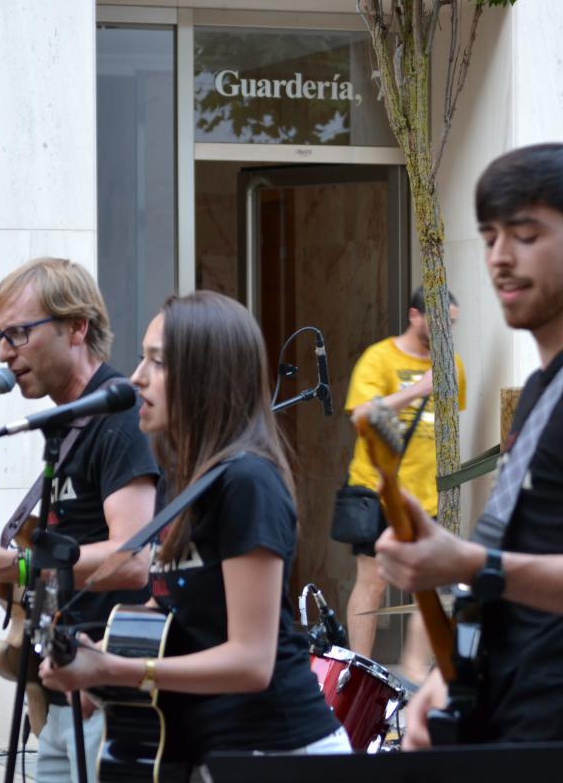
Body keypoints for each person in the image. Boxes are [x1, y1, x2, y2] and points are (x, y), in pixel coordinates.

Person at [374, 143, 563, 783]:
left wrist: (468, 563)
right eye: (490, 235)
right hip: (527, 735)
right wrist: (449, 677)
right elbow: (531, 558)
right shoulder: (550, 383)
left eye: (525, 234)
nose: (498, 256)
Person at [39, 291, 350, 778]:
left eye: (158, 362)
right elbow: (174, 611)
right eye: (142, 358)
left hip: (281, 751)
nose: (136, 376)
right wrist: (96, 662)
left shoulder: (248, 482)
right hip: (213, 753)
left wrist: (115, 670)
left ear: (207, 377)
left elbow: (252, 662)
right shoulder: (184, 481)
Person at [0, 257, 158, 783]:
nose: (4, 353)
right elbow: (65, 553)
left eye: (19, 333)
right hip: (65, 687)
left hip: (109, 695)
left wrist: (11, 564)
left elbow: (132, 559)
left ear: (77, 327)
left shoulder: (119, 420)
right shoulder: (69, 424)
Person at [342, 286, 467, 682]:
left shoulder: (453, 365)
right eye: (440, 321)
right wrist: (416, 390)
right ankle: (359, 674)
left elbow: (447, 428)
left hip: (427, 495)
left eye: (451, 324)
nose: (445, 330)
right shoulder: (379, 357)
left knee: (428, 587)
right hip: (378, 489)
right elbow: (360, 416)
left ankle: (413, 675)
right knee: (373, 581)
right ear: (415, 316)